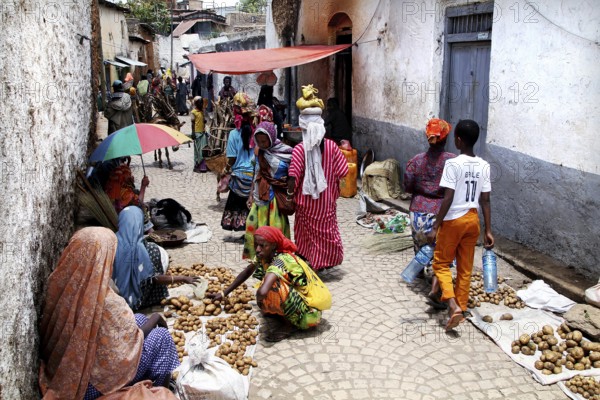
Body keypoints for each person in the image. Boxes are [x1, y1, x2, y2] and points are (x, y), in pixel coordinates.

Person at [38, 227, 179, 400]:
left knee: (139, 318)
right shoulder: (105, 301)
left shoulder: (59, 282)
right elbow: (130, 342)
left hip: (64, 370)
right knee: (162, 337)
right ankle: (158, 392)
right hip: (91, 386)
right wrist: (157, 318)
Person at [426, 119, 494, 331]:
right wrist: (488, 230)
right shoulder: (484, 165)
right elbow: (486, 200)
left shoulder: (453, 164)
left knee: (441, 264)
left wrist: (436, 225)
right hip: (473, 220)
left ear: (458, 139)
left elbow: (448, 197)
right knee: (465, 269)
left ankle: (452, 303)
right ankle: (461, 309)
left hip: (454, 220)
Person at [210, 226, 324, 341]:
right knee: (268, 285)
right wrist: (224, 293)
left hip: (308, 313)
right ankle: (279, 313)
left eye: (262, 245)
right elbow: (247, 271)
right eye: (256, 245)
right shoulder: (265, 254)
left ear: (273, 246)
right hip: (296, 299)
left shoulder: (281, 260)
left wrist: (261, 301)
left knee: (272, 285)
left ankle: (288, 325)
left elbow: (263, 291)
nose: (258, 249)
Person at [287, 107, 349, 270]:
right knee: (327, 233)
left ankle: (311, 260)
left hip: (305, 204)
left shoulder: (300, 149)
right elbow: (343, 171)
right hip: (326, 203)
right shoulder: (332, 146)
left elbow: (293, 177)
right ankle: (324, 262)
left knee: (306, 235)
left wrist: (288, 196)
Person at [404, 118, 456, 309]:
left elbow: (407, 185)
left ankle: (418, 272)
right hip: (440, 212)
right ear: (446, 138)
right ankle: (437, 288)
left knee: (420, 245)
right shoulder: (452, 161)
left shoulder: (415, 161)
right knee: (440, 251)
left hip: (417, 211)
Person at [113, 206, 200, 311]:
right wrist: (183, 278)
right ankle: (148, 300)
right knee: (154, 251)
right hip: (136, 302)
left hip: (114, 299)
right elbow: (154, 278)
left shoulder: (111, 242)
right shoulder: (145, 248)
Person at [244, 121, 293, 259]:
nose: (262, 144)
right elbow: (256, 173)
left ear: (271, 137)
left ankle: (278, 258)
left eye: (264, 141)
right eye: (258, 141)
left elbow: (293, 175)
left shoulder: (287, 153)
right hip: (259, 196)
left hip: (275, 199)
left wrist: (289, 195)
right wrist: (250, 195)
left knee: (275, 229)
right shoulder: (258, 151)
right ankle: (257, 258)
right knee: (253, 225)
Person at [221, 95, 255, 232]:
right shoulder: (257, 133)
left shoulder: (234, 134)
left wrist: (226, 169)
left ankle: (241, 228)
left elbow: (232, 158)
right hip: (253, 176)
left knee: (238, 206)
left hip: (239, 176)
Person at [190, 96, 207, 173]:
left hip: (203, 132)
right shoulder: (193, 112)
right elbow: (193, 123)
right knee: (197, 150)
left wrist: (204, 121)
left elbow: (202, 120)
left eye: (202, 103)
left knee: (203, 150)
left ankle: (202, 166)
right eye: (200, 103)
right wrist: (193, 133)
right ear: (196, 104)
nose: (202, 105)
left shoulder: (202, 111)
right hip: (197, 133)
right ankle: (196, 166)